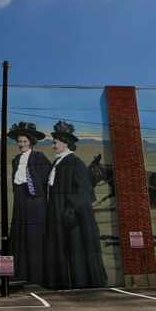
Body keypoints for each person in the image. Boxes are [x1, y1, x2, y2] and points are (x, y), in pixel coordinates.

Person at [43, 121, 107, 289]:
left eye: (55, 142)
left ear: (65, 143)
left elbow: (84, 191)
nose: (53, 145)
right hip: (57, 214)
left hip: (71, 217)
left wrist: (70, 210)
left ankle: (78, 283)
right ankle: (62, 282)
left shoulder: (75, 163)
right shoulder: (57, 163)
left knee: (75, 248)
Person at [7, 121, 52, 285]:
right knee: (20, 236)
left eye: (25, 142)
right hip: (20, 200)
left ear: (31, 142)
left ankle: (37, 275)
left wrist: (37, 191)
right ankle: (20, 273)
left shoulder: (39, 157)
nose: (21, 145)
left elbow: (48, 179)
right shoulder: (16, 160)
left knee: (34, 238)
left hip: (35, 202)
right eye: (19, 142)